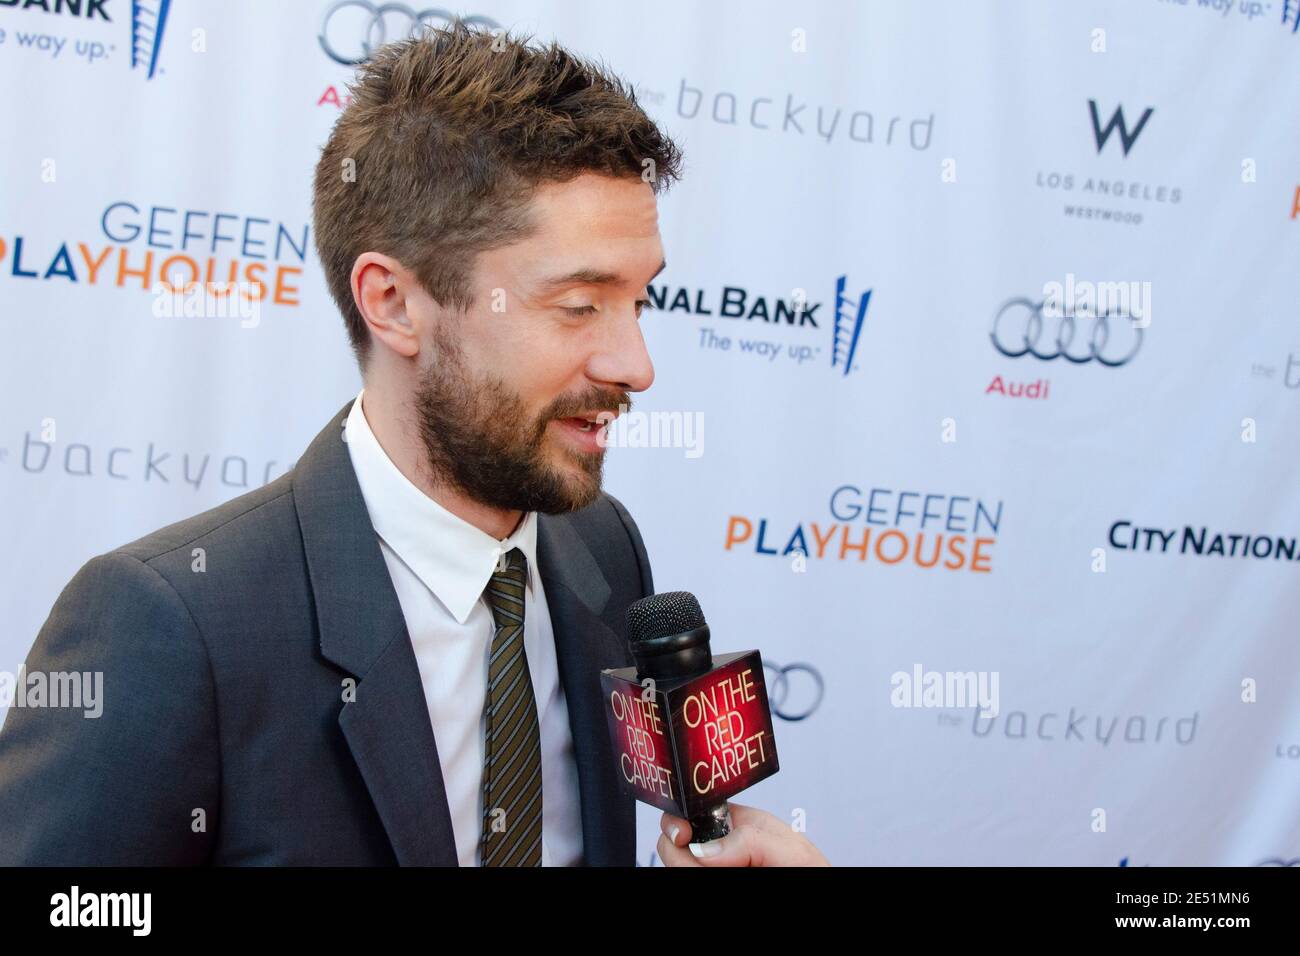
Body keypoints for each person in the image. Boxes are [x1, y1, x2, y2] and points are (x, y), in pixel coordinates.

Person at [0, 23, 826, 868]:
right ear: (393, 303)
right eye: (580, 306)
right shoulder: (172, 625)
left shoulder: (603, 548)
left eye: (639, 303)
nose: (637, 366)